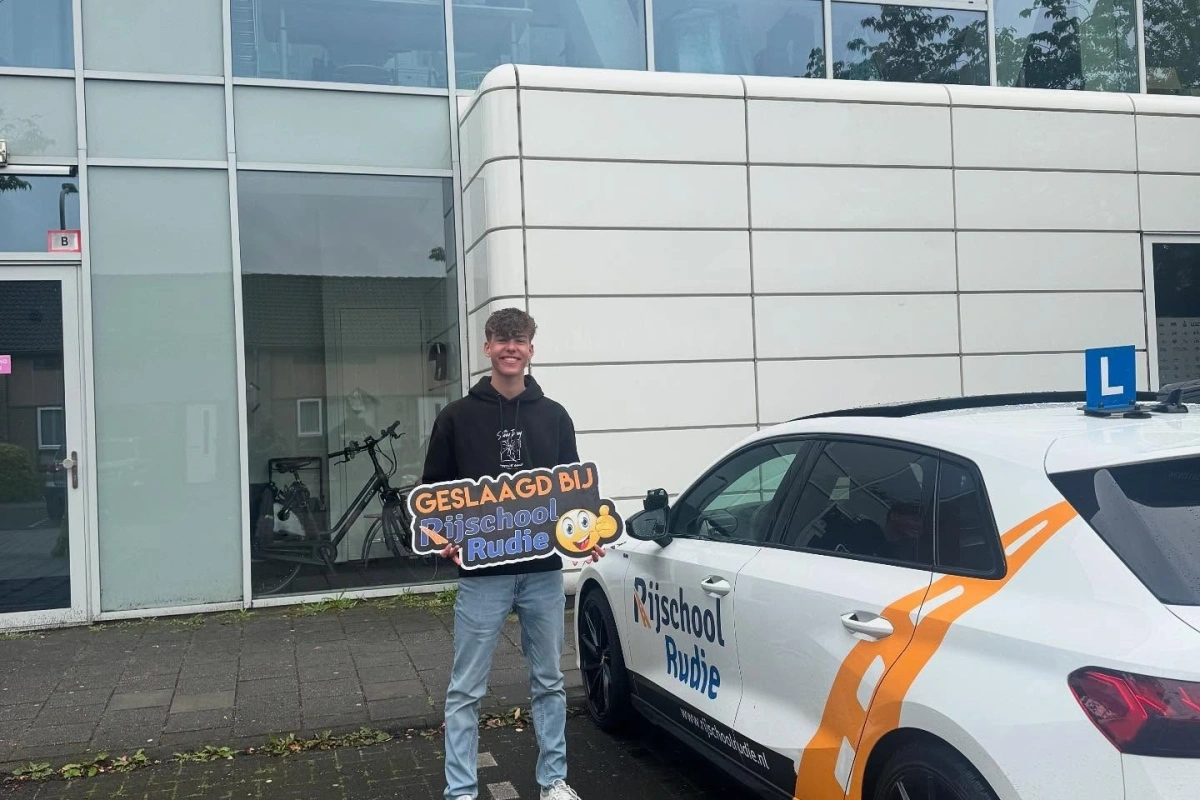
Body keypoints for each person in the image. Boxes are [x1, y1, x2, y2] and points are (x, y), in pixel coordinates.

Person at [421, 307, 605, 800]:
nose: (510, 348)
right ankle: (461, 791)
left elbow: (571, 493)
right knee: (466, 689)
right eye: (502, 340)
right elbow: (434, 494)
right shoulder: (456, 417)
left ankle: (553, 782)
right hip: (482, 574)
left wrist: (585, 535)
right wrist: (443, 538)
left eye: (519, 340)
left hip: (542, 572)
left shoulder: (555, 416)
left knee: (549, 681)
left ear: (530, 349)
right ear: (487, 347)